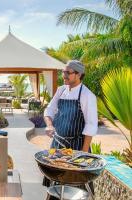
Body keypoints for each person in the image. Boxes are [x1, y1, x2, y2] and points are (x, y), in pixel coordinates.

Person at [43, 60, 98, 193]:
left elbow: (91, 126)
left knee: (75, 188)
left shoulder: (87, 95)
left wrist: (82, 155)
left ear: (79, 74)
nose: (64, 75)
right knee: (54, 185)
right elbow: (49, 111)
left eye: (68, 72)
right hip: (57, 144)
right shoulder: (61, 90)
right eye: (63, 72)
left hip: (77, 146)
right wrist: (49, 125)